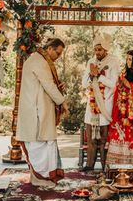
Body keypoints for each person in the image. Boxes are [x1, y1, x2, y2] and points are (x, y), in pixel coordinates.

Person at [16, 38, 69, 187]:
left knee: (40, 145)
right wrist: (62, 101)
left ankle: (38, 177)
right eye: (57, 53)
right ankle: (41, 178)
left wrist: (58, 89)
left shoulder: (38, 59)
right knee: (40, 146)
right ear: (50, 48)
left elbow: (47, 85)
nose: (57, 57)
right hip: (36, 111)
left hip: (37, 108)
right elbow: (48, 85)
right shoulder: (39, 61)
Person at [81, 33, 120, 171]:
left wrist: (99, 76)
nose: (97, 52)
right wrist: (92, 76)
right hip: (91, 106)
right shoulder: (90, 62)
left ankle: (105, 166)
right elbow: (84, 83)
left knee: (103, 139)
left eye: (100, 50)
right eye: (95, 50)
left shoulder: (113, 61)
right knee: (91, 138)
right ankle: (89, 166)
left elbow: (114, 84)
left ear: (106, 49)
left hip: (105, 105)